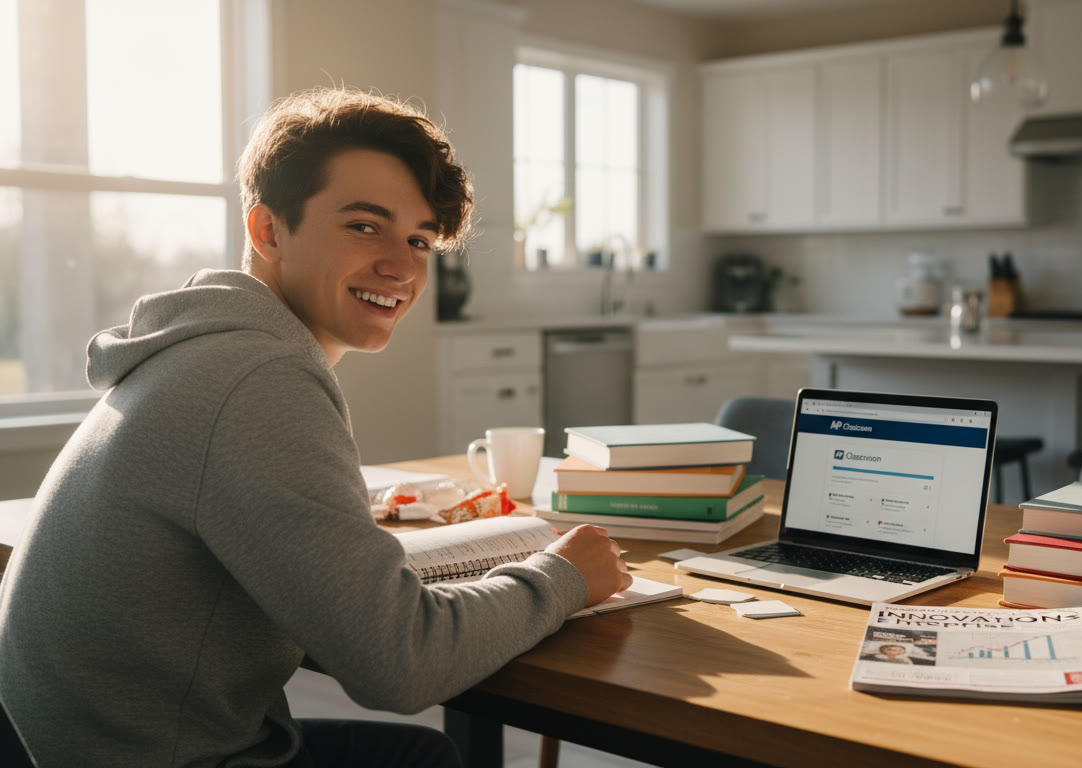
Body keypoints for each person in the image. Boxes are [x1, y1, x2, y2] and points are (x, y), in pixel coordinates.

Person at [0, 88, 632, 767]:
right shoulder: (257, 379)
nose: (403, 266)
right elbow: (401, 665)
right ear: (267, 229)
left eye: (419, 239)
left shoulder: (203, 350)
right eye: (365, 226)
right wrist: (563, 575)